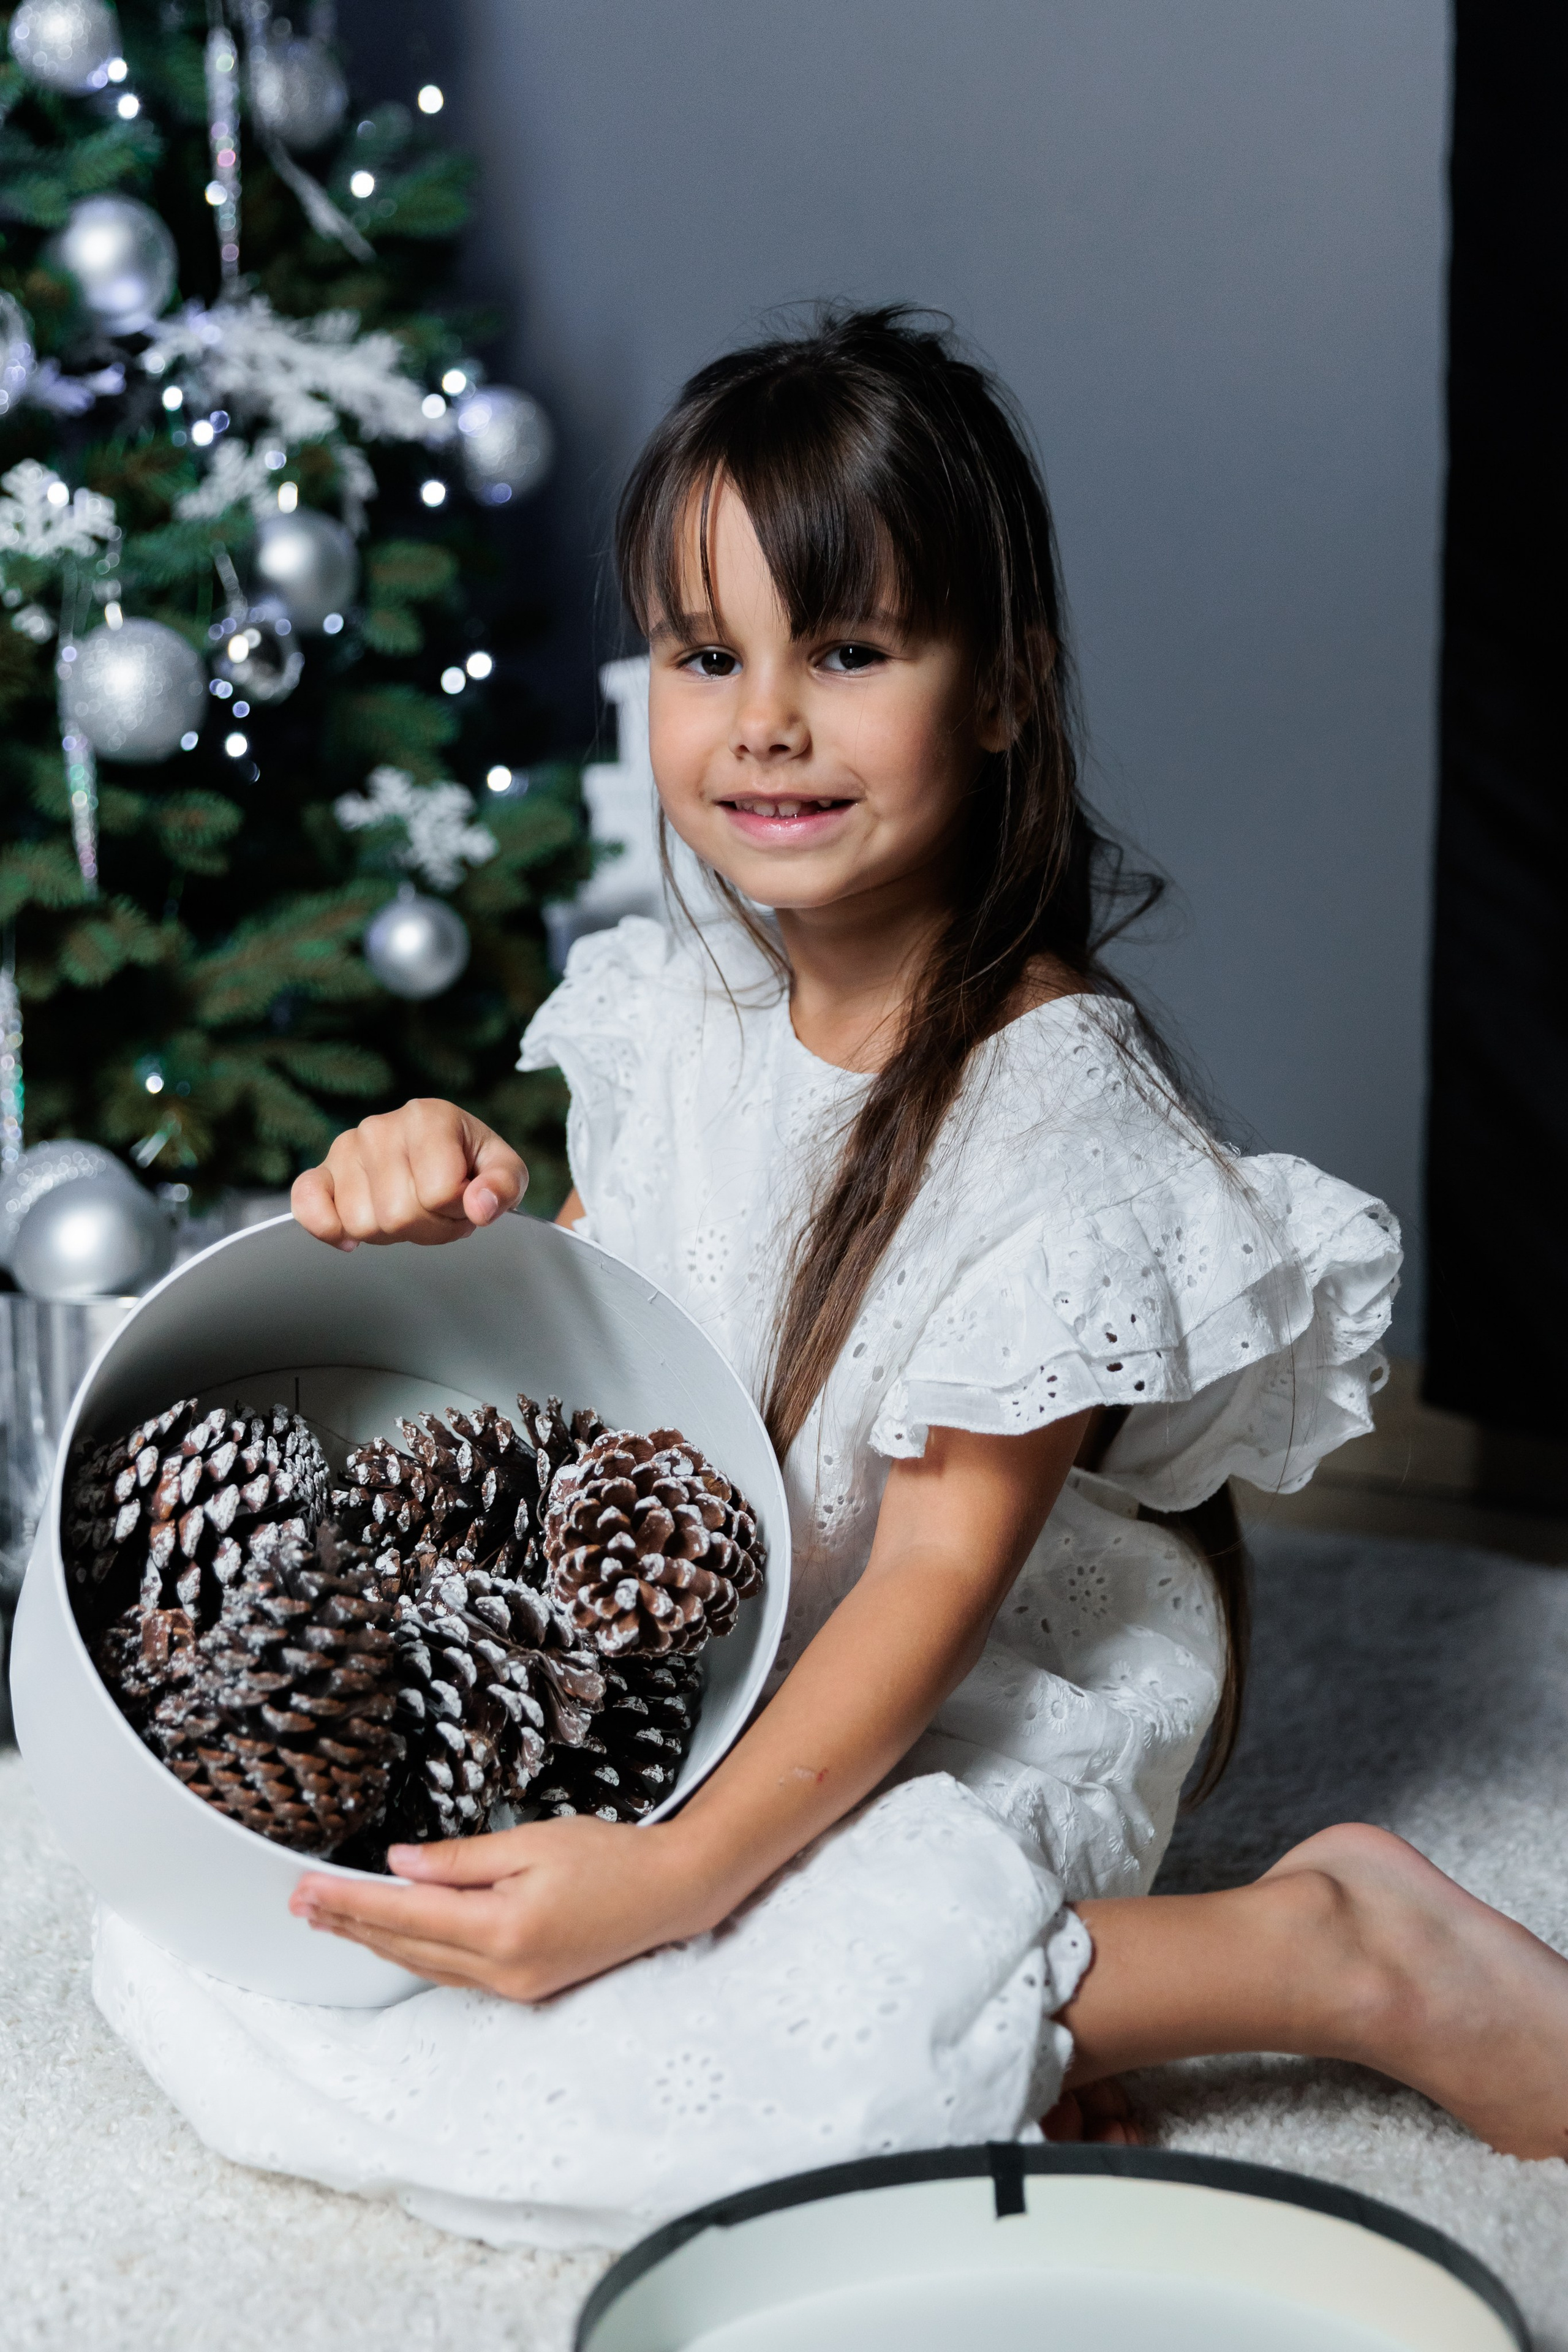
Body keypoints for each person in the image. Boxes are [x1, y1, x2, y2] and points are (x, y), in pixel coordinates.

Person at [95, 310, 1568, 2240]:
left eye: (849, 652)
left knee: (750, 2060)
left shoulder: (1056, 1115)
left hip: (955, 1689)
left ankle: (1328, 1952)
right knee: (234, 1948)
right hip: (712, 1655)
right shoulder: (669, 1011)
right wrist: (442, 1200)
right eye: (709, 657)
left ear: (1006, 694)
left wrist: (675, 1883)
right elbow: (626, 1377)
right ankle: (1030, 2012)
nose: (765, 719)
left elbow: (938, 1590)